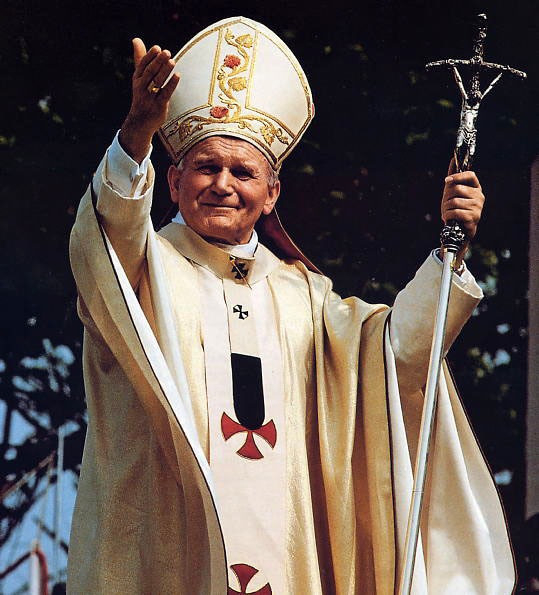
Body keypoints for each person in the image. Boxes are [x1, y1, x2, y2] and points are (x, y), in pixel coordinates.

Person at [68, 17, 515, 594]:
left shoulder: (305, 298)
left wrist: (450, 255)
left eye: (243, 171)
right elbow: (106, 235)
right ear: (173, 181)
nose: (223, 184)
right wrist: (136, 136)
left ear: (271, 193)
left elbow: (395, 354)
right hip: (166, 556)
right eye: (206, 167)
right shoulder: (141, 271)